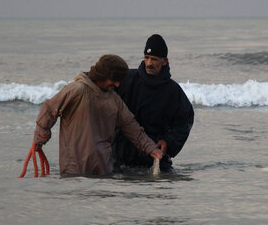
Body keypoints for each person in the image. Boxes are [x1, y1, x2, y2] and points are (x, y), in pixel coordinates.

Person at [28, 54, 163, 175]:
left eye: (119, 80)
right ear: (102, 75)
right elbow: (50, 108)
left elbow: (131, 126)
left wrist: (150, 148)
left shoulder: (114, 99)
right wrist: (40, 139)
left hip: (104, 169)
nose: (117, 84)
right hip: (74, 171)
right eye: (114, 79)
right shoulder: (78, 89)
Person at [113, 34, 194, 172]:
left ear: (164, 61)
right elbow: (100, 84)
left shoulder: (173, 91)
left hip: (153, 157)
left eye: (154, 59)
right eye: (147, 58)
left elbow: (185, 120)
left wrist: (168, 141)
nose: (149, 63)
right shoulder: (127, 79)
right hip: (121, 156)